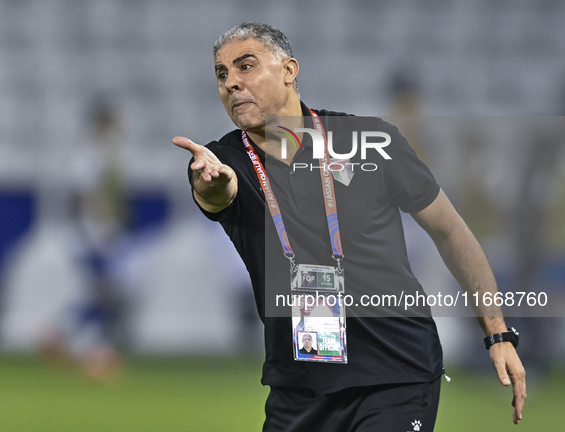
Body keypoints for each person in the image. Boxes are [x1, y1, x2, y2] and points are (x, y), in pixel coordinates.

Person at [173, 23, 526, 431]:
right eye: (221, 74)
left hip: (396, 373)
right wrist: (209, 183)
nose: (231, 83)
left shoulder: (370, 141)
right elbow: (217, 192)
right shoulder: (223, 161)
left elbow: (450, 231)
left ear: (289, 70)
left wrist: (497, 332)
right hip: (300, 387)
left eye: (245, 66)